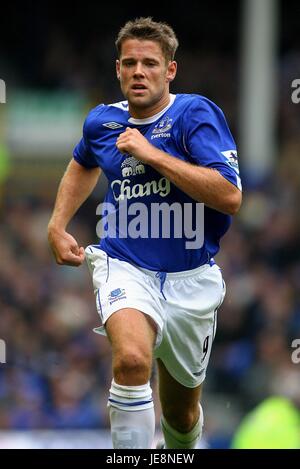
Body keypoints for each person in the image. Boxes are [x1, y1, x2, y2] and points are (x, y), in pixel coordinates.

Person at [48, 17, 242, 449]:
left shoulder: (195, 114)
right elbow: (83, 161)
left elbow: (229, 196)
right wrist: (57, 223)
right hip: (125, 265)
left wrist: (152, 154)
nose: (139, 72)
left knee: (180, 414)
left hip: (191, 280)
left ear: (170, 70)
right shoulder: (102, 122)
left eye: (150, 64)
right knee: (133, 361)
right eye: (130, 63)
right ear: (118, 68)